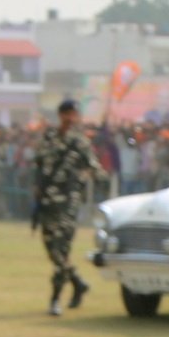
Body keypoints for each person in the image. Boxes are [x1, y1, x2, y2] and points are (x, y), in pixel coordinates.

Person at [31, 98, 97, 314]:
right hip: (47, 202)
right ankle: (78, 283)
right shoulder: (49, 136)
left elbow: (95, 168)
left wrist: (86, 178)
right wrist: (36, 186)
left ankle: (55, 300)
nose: (70, 118)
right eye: (66, 114)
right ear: (60, 115)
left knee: (61, 249)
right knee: (52, 250)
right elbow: (38, 163)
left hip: (68, 202)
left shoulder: (80, 142)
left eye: (73, 114)